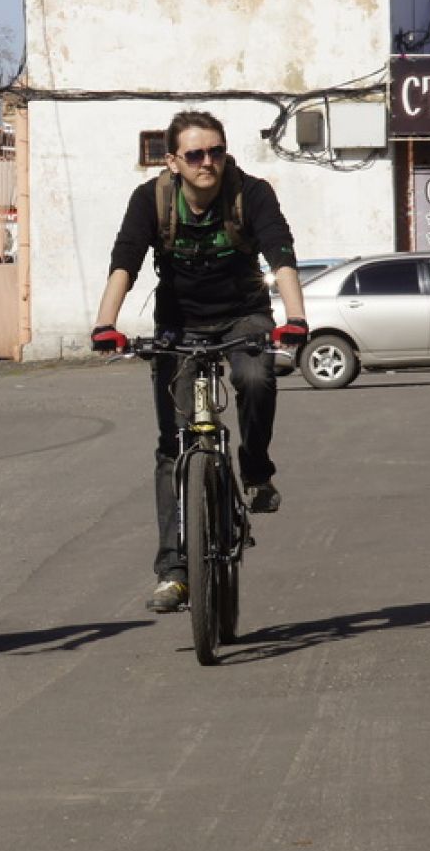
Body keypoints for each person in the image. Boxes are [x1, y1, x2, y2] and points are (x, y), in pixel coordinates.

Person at [88, 110, 310, 613]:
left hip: (243, 317)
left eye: (216, 151)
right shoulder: (152, 199)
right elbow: (125, 259)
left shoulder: (251, 193)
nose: (207, 162)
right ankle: (174, 572)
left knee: (254, 376)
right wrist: (106, 324)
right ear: (173, 161)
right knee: (173, 446)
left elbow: (281, 253)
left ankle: (254, 470)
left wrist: (294, 316)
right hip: (178, 324)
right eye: (195, 154)